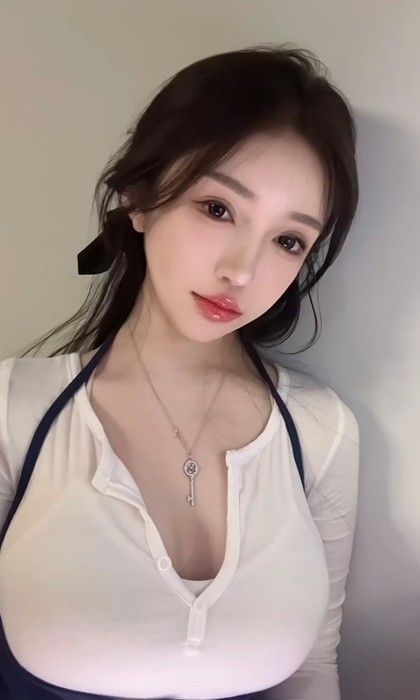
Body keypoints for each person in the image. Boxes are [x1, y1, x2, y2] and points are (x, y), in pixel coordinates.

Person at [0, 44, 360, 700]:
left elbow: (313, 671)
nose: (242, 271)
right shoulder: (12, 408)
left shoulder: (322, 431)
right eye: (218, 208)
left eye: (289, 241)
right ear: (139, 198)